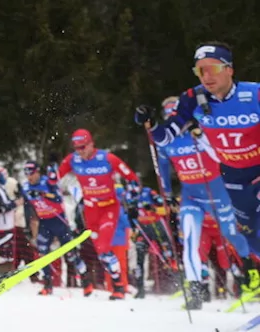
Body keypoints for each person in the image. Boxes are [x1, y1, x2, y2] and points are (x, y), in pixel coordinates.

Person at [141, 42, 260, 297]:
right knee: (251, 239)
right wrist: (151, 124)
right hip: (234, 177)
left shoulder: (254, 94)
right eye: (199, 71)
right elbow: (166, 137)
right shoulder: (194, 98)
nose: (206, 76)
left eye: (212, 69)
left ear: (229, 69)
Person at [153, 96, 253, 309]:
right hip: (190, 195)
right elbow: (162, 169)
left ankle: (249, 271)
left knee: (231, 234)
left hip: (217, 192)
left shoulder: (201, 133)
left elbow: (221, 156)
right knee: (190, 239)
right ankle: (196, 289)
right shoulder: (166, 143)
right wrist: (168, 195)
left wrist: (202, 137)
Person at [56, 128, 135, 299]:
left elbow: (131, 177)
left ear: (91, 144)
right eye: (77, 148)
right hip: (90, 210)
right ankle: (116, 285)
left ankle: (119, 286)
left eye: (83, 147)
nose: (81, 151)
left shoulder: (107, 158)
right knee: (101, 252)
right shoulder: (73, 159)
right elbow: (56, 178)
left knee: (105, 247)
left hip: (109, 208)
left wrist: (133, 196)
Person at [23, 161, 92, 296]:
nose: (29, 177)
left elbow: (58, 199)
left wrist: (44, 195)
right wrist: (28, 226)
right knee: (42, 254)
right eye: (26, 174)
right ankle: (47, 284)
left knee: (71, 254)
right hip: (44, 223)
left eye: (31, 173)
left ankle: (86, 281)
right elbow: (28, 207)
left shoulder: (48, 181)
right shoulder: (25, 187)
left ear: (37, 172)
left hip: (58, 221)